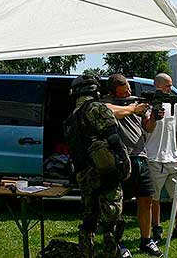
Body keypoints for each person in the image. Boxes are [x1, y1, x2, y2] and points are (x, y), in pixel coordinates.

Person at [64, 75, 131, 258]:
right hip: (105, 172)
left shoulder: (72, 117)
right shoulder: (97, 108)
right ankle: (112, 253)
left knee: (89, 219)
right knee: (112, 219)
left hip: (84, 175)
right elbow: (114, 138)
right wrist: (123, 164)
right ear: (95, 89)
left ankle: (86, 254)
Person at [105, 74, 163, 257]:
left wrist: (154, 117)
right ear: (113, 92)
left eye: (129, 90)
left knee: (146, 199)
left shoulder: (136, 104)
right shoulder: (106, 103)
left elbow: (148, 127)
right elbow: (110, 111)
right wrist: (133, 108)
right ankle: (118, 244)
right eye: (124, 92)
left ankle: (146, 240)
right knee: (118, 205)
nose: (129, 93)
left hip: (140, 157)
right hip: (120, 160)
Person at [146, 73, 177, 243]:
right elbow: (147, 128)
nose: (170, 89)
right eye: (168, 86)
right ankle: (156, 229)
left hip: (173, 158)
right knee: (154, 198)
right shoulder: (147, 105)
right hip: (154, 158)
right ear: (158, 86)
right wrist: (153, 114)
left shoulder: (175, 106)